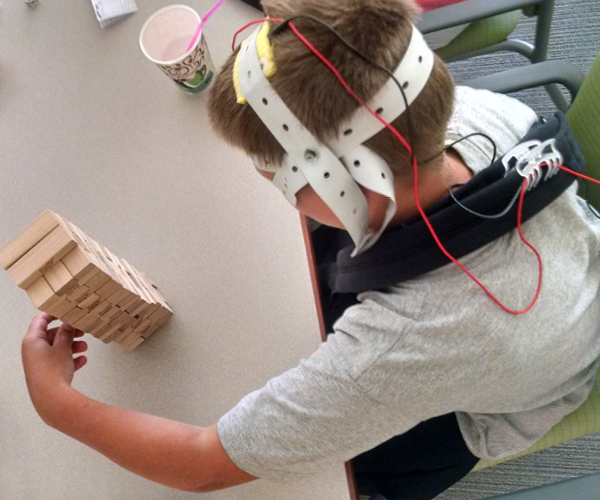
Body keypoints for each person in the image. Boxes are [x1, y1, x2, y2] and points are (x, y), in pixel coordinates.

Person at [21, 0, 600, 499]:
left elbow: (203, 463)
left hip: (493, 401)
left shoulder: (399, 348)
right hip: (553, 272)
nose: (277, 194)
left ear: (348, 188)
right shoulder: (480, 113)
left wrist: (57, 406)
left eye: (279, 182)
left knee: (352, 466)